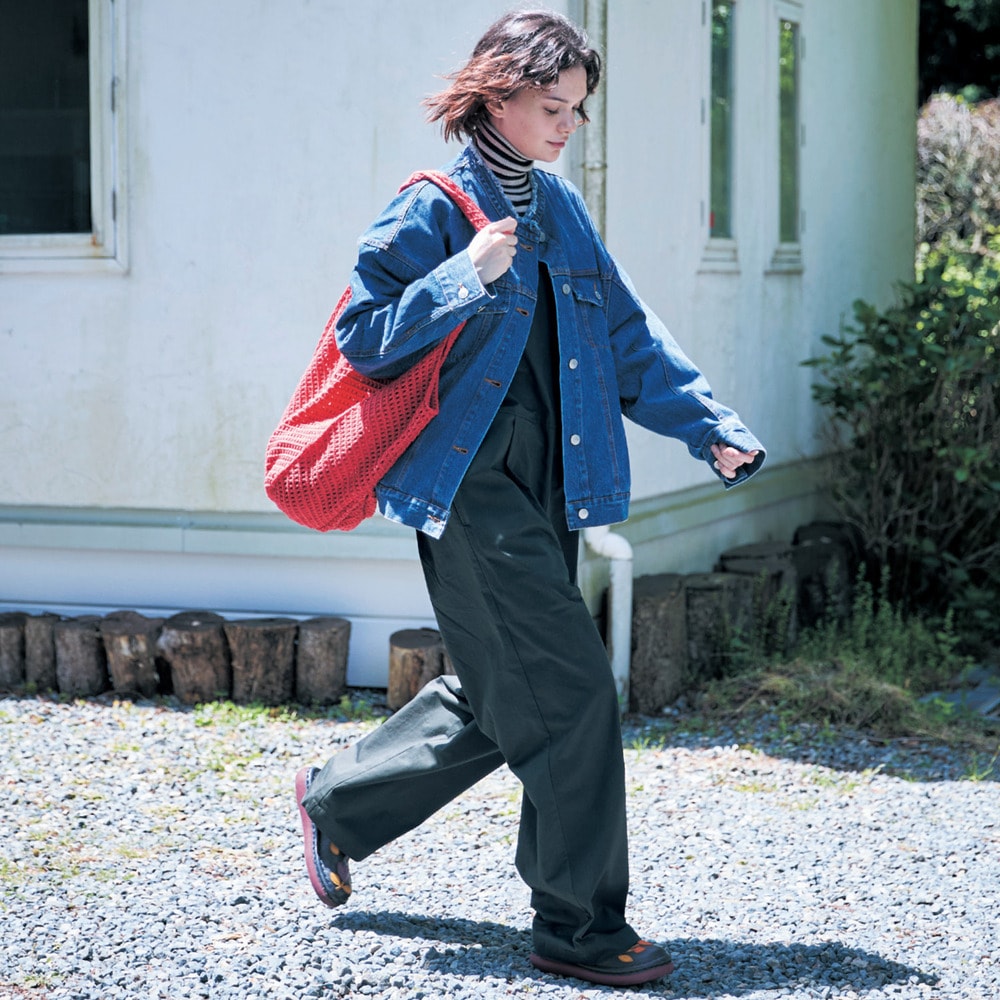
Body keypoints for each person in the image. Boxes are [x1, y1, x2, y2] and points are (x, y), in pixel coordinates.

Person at [295, 9, 764, 988]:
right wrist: (462, 277)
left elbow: (626, 335)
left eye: (577, 109)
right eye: (552, 106)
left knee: (504, 690)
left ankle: (337, 801)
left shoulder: (560, 209)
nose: (567, 125)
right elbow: (363, 339)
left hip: (555, 477)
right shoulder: (429, 209)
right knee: (572, 689)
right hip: (469, 486)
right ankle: (578, 925)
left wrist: (706, 424)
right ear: (497, 95)